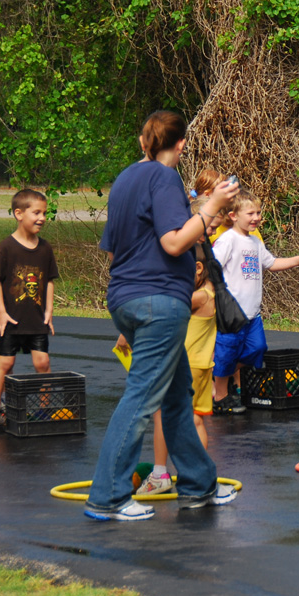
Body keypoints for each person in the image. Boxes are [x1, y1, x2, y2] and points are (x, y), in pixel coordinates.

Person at [85, 109, 239, 521]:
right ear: (182, 145)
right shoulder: (165, 176)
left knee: (174, 396)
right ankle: (108, 496)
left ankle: (198, 485)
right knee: (142, 397)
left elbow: (116, 250)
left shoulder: (124, 180)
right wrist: (212, 207)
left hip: (125, 298)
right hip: (160, 303)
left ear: (142, 141)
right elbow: (174, 243)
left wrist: (202, 211)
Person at [210, 188, 299, 409]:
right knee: (226, 352)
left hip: (252, 314)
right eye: (250, 214)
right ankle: (220, 397)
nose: (256, 218)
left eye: (258, 213)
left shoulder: (255, 243)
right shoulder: (227, 240)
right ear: (233, 216)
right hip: (231, 314)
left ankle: (221, 375)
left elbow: (272, 264)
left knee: (257, 349)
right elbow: (213, 268)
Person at [138, 241, 217, 496]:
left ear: (196, 268)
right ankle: (197, 473)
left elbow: (164, 308)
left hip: (186, 364)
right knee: (195, 420)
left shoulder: (198, 296)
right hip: (203, 366)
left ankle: (160, 473)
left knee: (162, 414)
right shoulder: (210, 291)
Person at [0, 189, 60, 431]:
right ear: (19, 213)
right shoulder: (7, 247)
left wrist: (48, 310)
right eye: (36, 212)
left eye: (44, 213)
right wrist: (1, 312)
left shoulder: (45, 248)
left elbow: (49, 280)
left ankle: (44, 409)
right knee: (5, 364)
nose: (41, 218)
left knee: (43, 362)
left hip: (36, 318)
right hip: (11, 319)